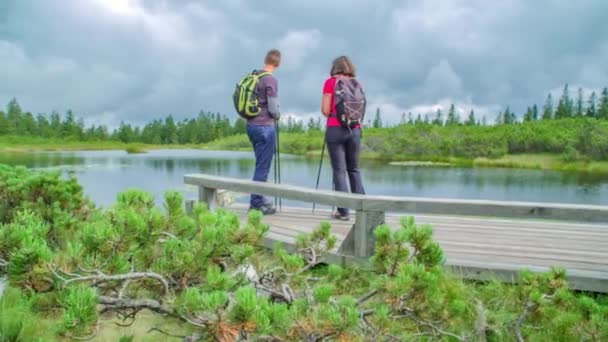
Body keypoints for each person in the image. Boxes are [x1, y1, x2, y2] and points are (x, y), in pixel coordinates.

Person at [321, 55, 365, 221]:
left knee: (339, 171)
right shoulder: (357, 83)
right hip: (355, 130)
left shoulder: (330, 82)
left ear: (334, 68)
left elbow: (326, 110)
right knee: (354, 169)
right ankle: (363, 209)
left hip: (335, 128)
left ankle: (343, 211)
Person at [247, 49, 281, 215]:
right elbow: (273, 108)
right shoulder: (270, 80)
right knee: (263, 167)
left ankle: (263, 201)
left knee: (260, 164)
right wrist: (278, 115)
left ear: (265, 60)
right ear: (278, 63)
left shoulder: (254, 77)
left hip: (251, 126)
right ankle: (256, 205)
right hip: (265, 127)